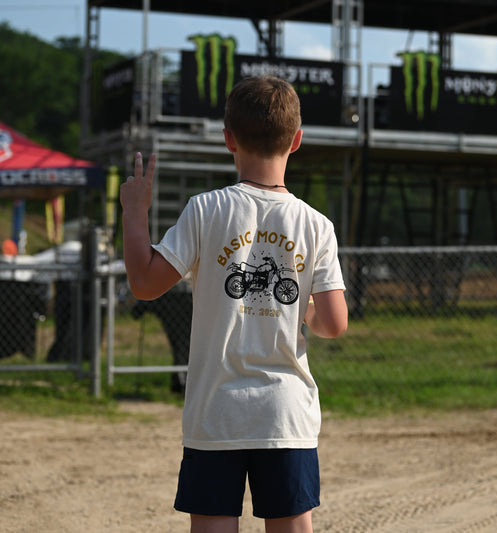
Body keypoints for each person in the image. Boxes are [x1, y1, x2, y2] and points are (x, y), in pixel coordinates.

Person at [120, 75, 348, 533]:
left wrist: (135, 213)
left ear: (229, 139)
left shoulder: (205, 209)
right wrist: (299, 311)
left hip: (216, 413)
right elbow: (333, 323)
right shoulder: (316, 224)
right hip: (285, 416)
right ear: (297, 140)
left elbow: (145, 283)